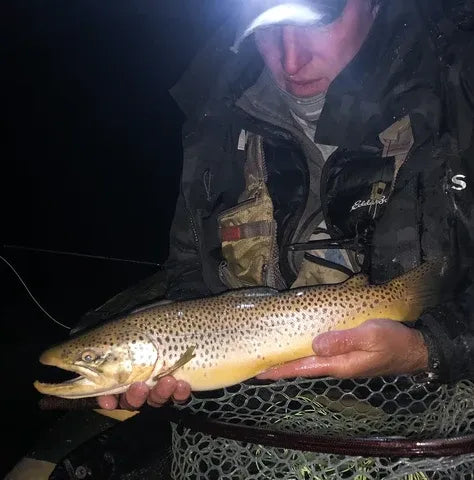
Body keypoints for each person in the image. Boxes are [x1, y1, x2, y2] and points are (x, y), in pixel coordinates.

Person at [90, 0, 474, 412]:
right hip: (273, 412)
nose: (292, 59)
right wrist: (162, 351)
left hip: (435, 407)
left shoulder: (461, 90)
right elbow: (190, 271)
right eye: (268, 28)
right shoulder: (215, 119)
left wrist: (427, 348)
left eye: (319, 21)